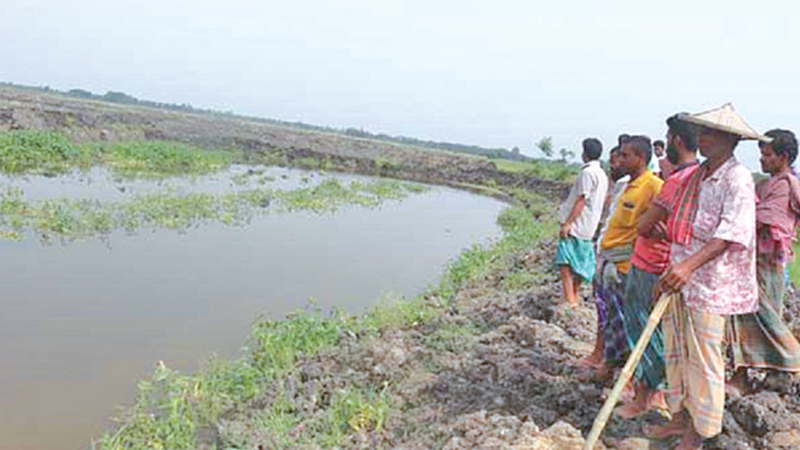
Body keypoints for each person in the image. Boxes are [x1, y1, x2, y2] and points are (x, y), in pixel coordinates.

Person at [653, 103, 762, 450]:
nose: (701, 137)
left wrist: (688, 266)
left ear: (729, 139)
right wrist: (675, 267)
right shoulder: (699, 175)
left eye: (709, 132)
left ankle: (700, 433)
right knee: (677, 350)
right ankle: (681, 417)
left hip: (711, 283)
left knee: (703, 360)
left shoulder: (737, 179)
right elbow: (683, 226)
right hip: (683, 277)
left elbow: (731, 234)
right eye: (701, 131)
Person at [615, 114, 700, 419]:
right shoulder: (699, 177)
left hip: (652, 264)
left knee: (643, 329)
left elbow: (645, 224)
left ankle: (647, 396)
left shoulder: (676, 180)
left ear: (677, 140)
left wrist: (648, 223)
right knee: (656, 331)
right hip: (668, 264)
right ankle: (653, 392)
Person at [727, 128, 800, 395]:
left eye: (766, 154)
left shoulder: (784, 185)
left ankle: (791, 358)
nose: (761, 159)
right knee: (746, 316)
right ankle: (756, 374)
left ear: (782, 156)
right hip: (755, 261)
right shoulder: (769, 183)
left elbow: (766, 219)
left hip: (768, 263)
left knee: (762, 316)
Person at [592, 136, 662, 378]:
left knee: (624, 322)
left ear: (640, 158)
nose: (618, 159)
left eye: (625, 155)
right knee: (610, 318)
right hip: (609, 261)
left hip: (625, 266)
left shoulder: (653, 186)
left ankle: (622, 372)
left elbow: (659, 224)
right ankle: (609, 365)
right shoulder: (625, 186)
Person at [556, 138, 608, 307]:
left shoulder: (587, 173)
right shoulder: (601, 174)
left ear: (584, 153)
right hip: (589, 225)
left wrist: (567, 223)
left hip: (578, 224)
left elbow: (581, 199)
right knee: (579, 260)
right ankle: (574, 294)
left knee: (565, 262)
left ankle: (570, 300)